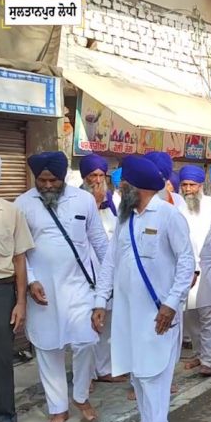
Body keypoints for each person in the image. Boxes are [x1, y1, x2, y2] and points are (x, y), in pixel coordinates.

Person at [92, 155, 195, 422]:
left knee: (152, 382)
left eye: (124, 186)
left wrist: (171, 304)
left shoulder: (169, 216)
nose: (120, 190)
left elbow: (187, 262)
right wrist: (100, 301)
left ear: (140, 188)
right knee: (140, 380)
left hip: (158, 318)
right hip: (127, 319)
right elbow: (110, 264)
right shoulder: (124, 219)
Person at [15, 152, 108, 422]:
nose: (46, 185)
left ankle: (81, 395)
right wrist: (30, 280)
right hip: (42, 293)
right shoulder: (22, 204)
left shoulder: (83, 201)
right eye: (41, 181)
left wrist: (108, 283)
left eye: (52, 180)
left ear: (63, 178)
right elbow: (18, 251)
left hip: (80, 288)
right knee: (48, 348)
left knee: (87, 341)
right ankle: (58, 407)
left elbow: (100, 243)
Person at [0, 156, 35, 422]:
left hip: (1, 290)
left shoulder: (11, 212)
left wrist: (20, 302)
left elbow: (20, 259)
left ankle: (5, 420)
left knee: (0, 358)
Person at [79, 154, 124, 385]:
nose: (96, 180)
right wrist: (94, 203)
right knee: (87, 326)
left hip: (109, 271)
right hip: (85, 273)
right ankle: (86, 376)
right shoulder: (77, 200)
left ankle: (104, 369)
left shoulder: (112, 201)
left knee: (107, 323)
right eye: (92, 176)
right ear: (84, 178)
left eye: (100, 175)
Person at [176, 165, 211, 377]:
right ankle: (198, 353)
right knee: (190, 315)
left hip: (210, 266)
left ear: (200, 186)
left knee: (210, 314)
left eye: (192, 185)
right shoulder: (176, 206)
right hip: (185, 267)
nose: (188, 189)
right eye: (184, 185)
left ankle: (208, 360)